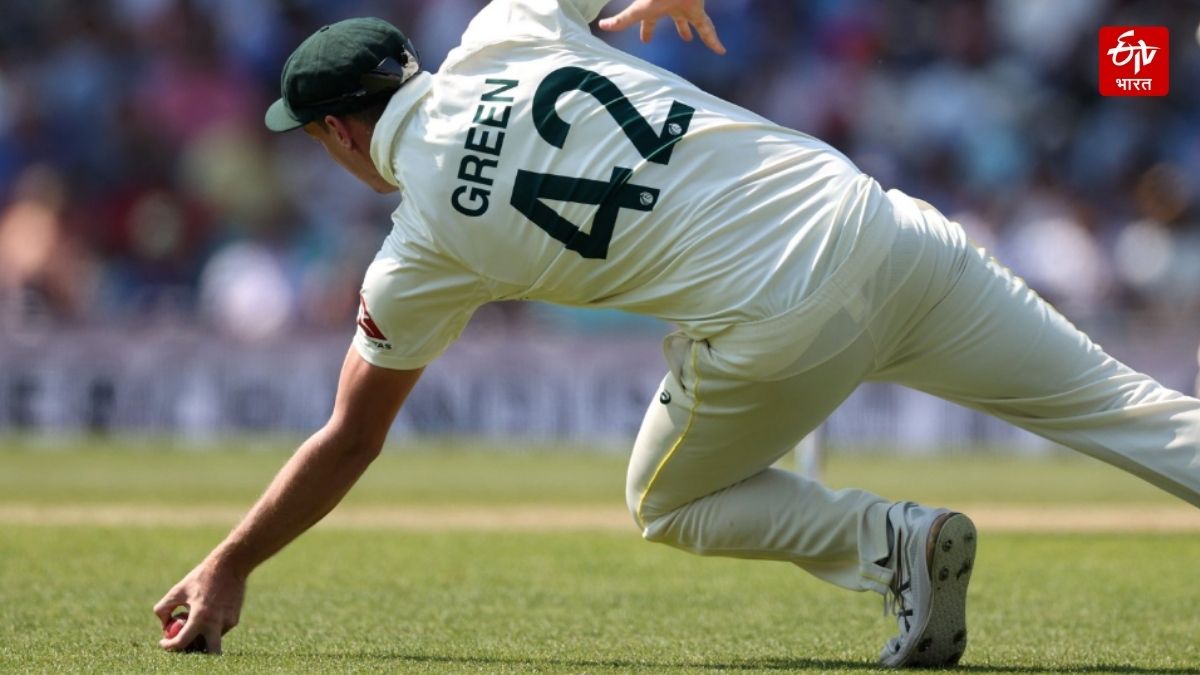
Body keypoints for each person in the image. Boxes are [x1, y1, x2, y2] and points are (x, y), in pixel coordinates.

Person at [154, 0, 1200, 667]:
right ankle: (909, 550)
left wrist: (235, 560)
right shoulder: (506, 29)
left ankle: (889, 543)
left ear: (340, 131)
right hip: (883, 225)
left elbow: (350, 437)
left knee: (667, 498)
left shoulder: (422, 246)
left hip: (780, 319)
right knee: (1118, 407)